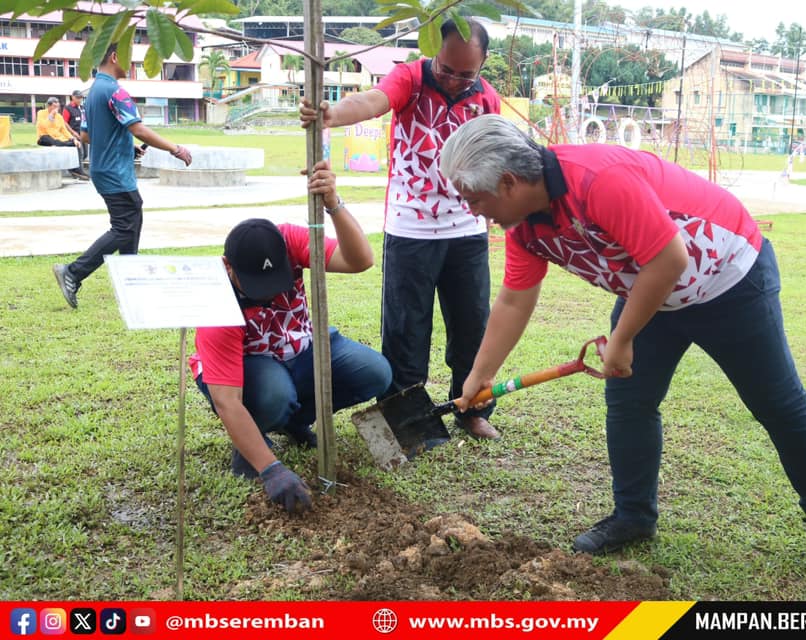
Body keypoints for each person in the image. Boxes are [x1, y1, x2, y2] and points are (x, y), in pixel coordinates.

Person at [442, 115, 806, 580]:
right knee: (630, 403)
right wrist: (480, 373)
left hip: (729, 279)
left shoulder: (598, 180)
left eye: (475, 200)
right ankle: (633, 516)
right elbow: (514, 300)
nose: (475, 212)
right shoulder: (524, 227)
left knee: (777, 403)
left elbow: (668, 257)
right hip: (653, 293)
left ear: (508, 182)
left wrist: (622, 340)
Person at [299, 18, 502, 441]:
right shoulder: (411, 77)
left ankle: (472, 409)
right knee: (406, 331)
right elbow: (373, 100)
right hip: (411, 230)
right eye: (447, 69)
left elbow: (494, 155)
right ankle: (409, 422)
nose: (454, 81)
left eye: (466, 74)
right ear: (433, 53)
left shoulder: (487, 98)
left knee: (473, 326)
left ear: (483, 64)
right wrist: (332, 114)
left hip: (467, 231)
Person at [189, 161, 392, 513]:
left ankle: (294, 422)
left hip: (300, 347)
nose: (269, 293)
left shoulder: (289, 240)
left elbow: (360, 260)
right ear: (227, 266)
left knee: (374, 372)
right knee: (274, 395)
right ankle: (252, 443)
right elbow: (227, 401)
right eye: (257, 286)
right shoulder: (215, 303)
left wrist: (333, 204)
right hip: (250, 367)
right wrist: (272, 470)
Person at [52, 43, 192, 309]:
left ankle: (131, 280)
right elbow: (138, 129)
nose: (132, 64)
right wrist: (175, 148)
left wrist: (127, 146)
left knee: (132, 218)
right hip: (115, 171)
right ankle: (73, 272)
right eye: (128, 58)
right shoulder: (116, 91)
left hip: (104, 168)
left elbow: (86, 135)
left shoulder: (93, 92)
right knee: (124, 227)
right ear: (114, 57)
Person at [35, 96, 87, 180]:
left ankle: (77, 169)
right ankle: (72, 169)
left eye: (57, 107)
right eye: (54, 106)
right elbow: (44, 126)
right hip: (44, 137)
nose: (56, 109)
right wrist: (51, 116)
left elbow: (64, 130)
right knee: (55, 141)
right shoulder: (41, 113)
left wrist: (73, 139)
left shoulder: (59, 116)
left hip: (58, 138)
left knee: (76, 144)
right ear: (49, 106)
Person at [62, 89, 87, 165]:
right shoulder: (68, 108)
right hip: (74, 135)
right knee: (80, 154)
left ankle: (76, 167)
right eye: (78, 98)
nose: (80, 99)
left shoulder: (82, 107)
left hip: (83, 134)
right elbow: (65, 122)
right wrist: (73, 132)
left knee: (85, 154)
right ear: (73, 97)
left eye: (81, 98)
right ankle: (77, 169)